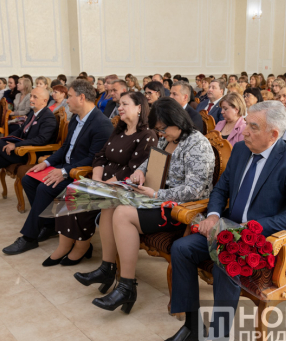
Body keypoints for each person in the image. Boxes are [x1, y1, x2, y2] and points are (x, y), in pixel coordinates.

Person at [155, 101, 286, 341]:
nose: (245, 131)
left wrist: (250, 228)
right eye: (246, 124)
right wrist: (214, 215)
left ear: (273, 134)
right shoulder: (240, 149)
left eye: (253, 127)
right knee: (181, 248)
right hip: (226, 229)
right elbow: (221, 188)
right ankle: (193, 329)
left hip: (265, 240)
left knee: (226, 259)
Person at [74, 97, 215, 314]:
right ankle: (107, 268)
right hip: (156, 199)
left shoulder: (198, 144)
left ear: (177, 121)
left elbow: (194, 190)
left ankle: (126, 286)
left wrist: (158, 194)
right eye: (158, 130)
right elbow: (149, 162)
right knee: (109, 202)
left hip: (179, 209)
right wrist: (140, 171)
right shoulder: (167, 139)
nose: (160, 134)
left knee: (123, 214)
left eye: (162, 129)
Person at [45, 92, 158, 267]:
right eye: (119, 104)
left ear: (139, 108)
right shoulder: (119, 130)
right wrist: (97, 180)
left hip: (121, 186)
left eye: (125, 104)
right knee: (70, 190)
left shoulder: (147, 135)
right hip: (102, 181)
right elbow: (100, 156)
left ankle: (81, 247)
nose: (119, 108)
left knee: (81, 197)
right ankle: (64, 246)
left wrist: (104, 184)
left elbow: (133, 168)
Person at [2, 79, 113, 255]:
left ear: (82, 98)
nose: (66, 101)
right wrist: (45, 163)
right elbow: (64, 148)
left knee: (45, 187)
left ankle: (29, 238)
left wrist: (64, 172)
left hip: (81, 173)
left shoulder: (102, 124)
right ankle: (49, 224)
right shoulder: (76, 118)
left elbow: (93, 159)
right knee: (29, 179)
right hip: (66, 166)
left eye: (70, 96)